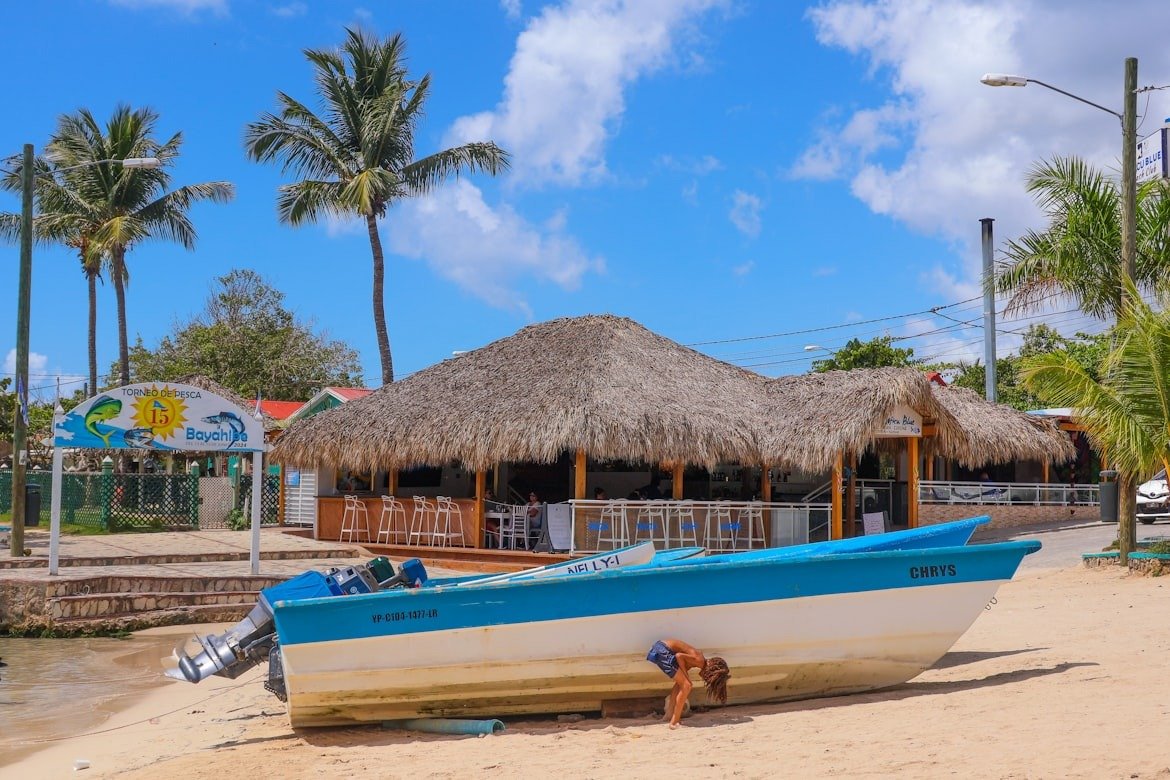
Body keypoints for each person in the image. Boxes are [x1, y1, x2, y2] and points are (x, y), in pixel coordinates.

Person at [645, 638, 730, 728]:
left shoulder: (698, 659)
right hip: (663, 650)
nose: (705, 679)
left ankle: (669, 715)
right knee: (687, 686)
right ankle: (674, 722)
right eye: (709, 678)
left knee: (681, 684)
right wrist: (686, 676)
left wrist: (685, 676)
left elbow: (680, 658)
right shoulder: (700, 661)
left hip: (661, 648)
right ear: (711, 670)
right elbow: (679, 656)